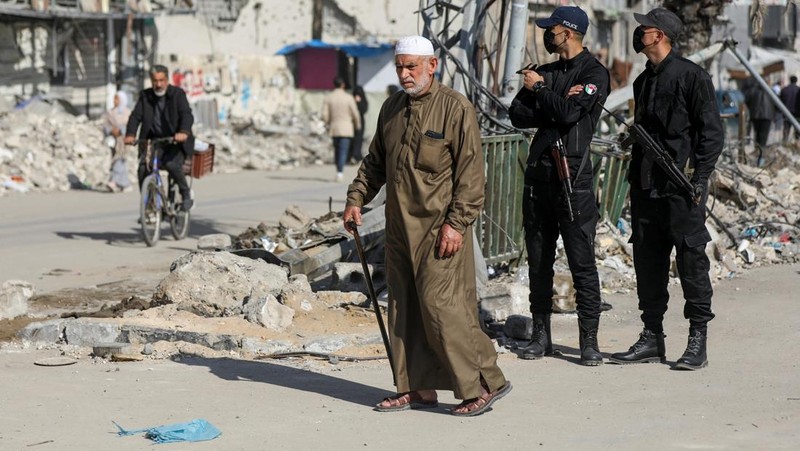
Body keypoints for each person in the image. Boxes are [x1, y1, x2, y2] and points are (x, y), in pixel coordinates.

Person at [343, 35, 511, 416]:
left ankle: (484, 383)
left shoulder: (455, 108)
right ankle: (415, 388)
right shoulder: (391, 108)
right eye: (400, 66)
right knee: (404, 309)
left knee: (444, 308)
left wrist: (456, 224)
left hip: (440, 230)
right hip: (400, 230)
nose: (404, 74)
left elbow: (471, 176)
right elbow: (374, 164)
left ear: (432, 66)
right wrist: (356, 199)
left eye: (411, 67)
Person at [608, 8, 723, 370]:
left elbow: (712, 134)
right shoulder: (643, 82)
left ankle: (697, 339)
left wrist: (700, 178)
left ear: (659, 36)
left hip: (681, 188)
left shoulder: (692, 76)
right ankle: (651, 336)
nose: (638, 32)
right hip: (646, 187)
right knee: (648, 262)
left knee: (691, 262)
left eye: (645, 28)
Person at [507, 5, 610, 366]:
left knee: (582, 262)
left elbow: (570, 115)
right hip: (539, 178)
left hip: (574, 180)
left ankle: (589, 341)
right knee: (539, 261)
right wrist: (548, 97)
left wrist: (542, 95)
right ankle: (540, 336)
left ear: (567, 33)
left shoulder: (595, 72)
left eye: (551, 30)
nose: (546, 35)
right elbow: (517, 114)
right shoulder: (545, 72)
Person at [124, 65, 195, 210]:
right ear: (151, 81)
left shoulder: (177, 94)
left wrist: (183, 132)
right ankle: (150, 205)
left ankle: (185, 193)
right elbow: (135, 117)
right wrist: (130, 135)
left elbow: (186, 114)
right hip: (155, 143)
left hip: (175, 142)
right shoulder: (146, 96)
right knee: (143, 168)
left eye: (162, 80)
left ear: (167, 80)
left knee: (171, 165)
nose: (159, 84)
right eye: (155, 81)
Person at [321, 77, 360, 182]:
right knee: (343, 150)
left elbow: (324, 114)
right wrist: (357, 125)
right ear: (342, 85)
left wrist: (327, 123)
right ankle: (340, 172)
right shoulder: (348, 97)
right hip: (346, 128)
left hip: (334, 128)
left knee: (337, 150)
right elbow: (355, 113)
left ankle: (338, 170)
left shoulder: (329, 97)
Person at [102, 91, 132, 193]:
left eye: (116, 99)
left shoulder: (127, 112)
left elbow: (131, 126)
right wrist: (111, 130)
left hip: (124, 141)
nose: (114, 101)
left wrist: (121, 130)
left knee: (120, 159)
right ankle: (125, 184)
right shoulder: (110, 112)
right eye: (114, 99)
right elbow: (105, 125)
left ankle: (114, 181)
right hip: (114, 142)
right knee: (117, 160)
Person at [743, 76, 775, 167]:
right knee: (763, 138)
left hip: (756, 116)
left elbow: (747, 101)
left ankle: (758, 156)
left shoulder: (752, 91)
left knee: (757, 136)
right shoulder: (770, 91)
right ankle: (761, 159)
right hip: (767, 117)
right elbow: (776, 103)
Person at [348, 85, 368, 164]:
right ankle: (351, 156)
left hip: (360, 122)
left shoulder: (363, 100)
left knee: (359, 139)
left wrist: (359, 102)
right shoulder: (350, 100)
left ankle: (356, 156)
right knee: (351, 139)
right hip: (351, 122)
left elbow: (363, 110)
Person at [779, 75, 799, 143]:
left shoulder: (784, 90)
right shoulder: (798, 90)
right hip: (797, 113)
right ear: (796, 81)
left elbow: (780, 101)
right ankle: (797, 143)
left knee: (786, 128)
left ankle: (785, 142)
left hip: (787, 112)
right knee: (797, 129)